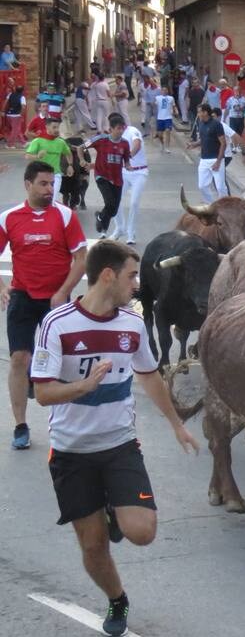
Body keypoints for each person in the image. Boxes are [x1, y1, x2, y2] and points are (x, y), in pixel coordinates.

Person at [31, 241, 200, 637]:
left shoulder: (131, 324)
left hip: (119, 444)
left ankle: (114, 510)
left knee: (142, 531)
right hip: (71, 451)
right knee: (93, 548)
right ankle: (117, 598)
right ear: (108, 275)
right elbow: (42, 393)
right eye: (131, 275)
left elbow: (149, 375)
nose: (136, 284)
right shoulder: (58, 324)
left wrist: (177, 424)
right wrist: (83, 386)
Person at [0, 161, 88, 450]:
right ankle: (20, 427)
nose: (50, 189)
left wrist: (64, 291)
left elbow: (81, 258)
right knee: (18, 359)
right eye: (43, 184)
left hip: (56, 299)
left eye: (52, 184)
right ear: (27, 184)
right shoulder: (9, 218)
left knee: (64, 363)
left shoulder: (64, 215)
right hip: (23, 297)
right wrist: (2, 287)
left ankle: (67, 424)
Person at [85, 116, 132, 239]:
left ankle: (100, 217)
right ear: (110, 129)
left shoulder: (125, 144)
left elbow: (126, 160)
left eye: (122, 128)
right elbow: (81, 147)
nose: (121, 131)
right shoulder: (101, 140)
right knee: (109, 202)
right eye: (118, 128)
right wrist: (82, 161)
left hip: (117, 179)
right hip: (102, 176)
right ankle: (103, 231)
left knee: (114, 210)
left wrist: (128, 166)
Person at [114, 114, 148, 245]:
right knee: (114, 199)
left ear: (122, 125)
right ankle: (120, 228)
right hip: (123, 172)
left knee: (134, 203)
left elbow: (137, 144)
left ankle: (131, 233)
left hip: (139, 172)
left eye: (117, 127)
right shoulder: (115, 135)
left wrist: (128, 157)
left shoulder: (133, 131)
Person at [24, 117, 73, 205]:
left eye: (58, 127)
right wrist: (37, 156)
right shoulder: (38, 141)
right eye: (54, 127)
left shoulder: (61, 142)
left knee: (52, 199)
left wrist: (70, 165)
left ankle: (51, 216)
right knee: (39, 200)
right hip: (39, 176)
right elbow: (27, 156)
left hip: (55, 175)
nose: (57, 130)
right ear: (47, 127)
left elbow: (68, 153)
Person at [185, 103, 227, 202]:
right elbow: (204, 139)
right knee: (202, 186)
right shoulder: (201, 124)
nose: (198, 114)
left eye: (199, 112)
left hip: (216, 159)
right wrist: (194, 144)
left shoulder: (217, 124)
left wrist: (218, 162)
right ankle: (211, 205)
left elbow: (223, 143)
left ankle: (225, 206)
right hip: (204, 160)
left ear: (205, 112)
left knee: (220, 187)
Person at [154, 85, 177, 153]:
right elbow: (154, 105)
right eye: (163, 90)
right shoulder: (157, 98)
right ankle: (162, 144)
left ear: (167, 91)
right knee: (160, 135)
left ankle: (167, 147)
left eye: (165, 90)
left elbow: (174, 105)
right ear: (161, 91)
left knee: (167, 131)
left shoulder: (171, 98)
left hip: (168, 118)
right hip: (160, 118)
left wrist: (176, 110)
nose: (164, 91)